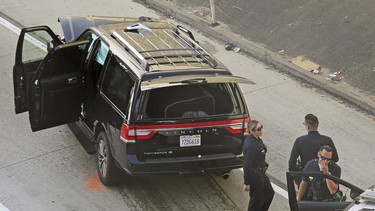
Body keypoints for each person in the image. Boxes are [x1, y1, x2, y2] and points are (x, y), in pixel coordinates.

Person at [243, 120, 274, 211]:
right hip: (255, 176)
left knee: (269, 193)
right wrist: (246, 182)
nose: (261, 130)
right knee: (255, 201)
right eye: (259, 129)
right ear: (252, 131)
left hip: (261, 174)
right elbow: (247, 165)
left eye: (261, 127)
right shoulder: (251, 146)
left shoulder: (257, 139)